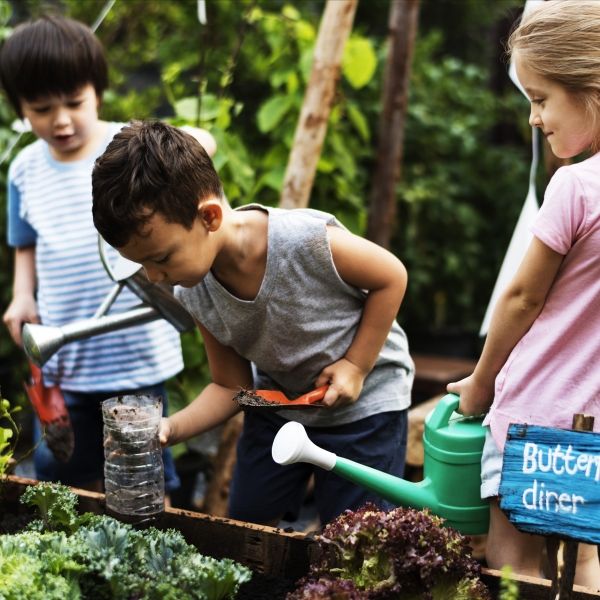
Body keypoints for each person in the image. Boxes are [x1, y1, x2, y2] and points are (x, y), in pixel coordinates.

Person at [91, 120, 414, 527]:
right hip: (278, 405)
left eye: (161, 258)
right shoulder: (194, 289)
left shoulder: (303, 241)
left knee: (356, 534)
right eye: (142, 264)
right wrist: (169, 428)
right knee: (247, 522)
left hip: (364, 410)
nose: (155, 277)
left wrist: (356, 365)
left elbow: (391, 276)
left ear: (208, 216)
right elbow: (232, 386)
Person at [0, 15, 216, 497]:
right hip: (65, 354)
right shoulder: (24, 169)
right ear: (19, 109)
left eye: (74, 103)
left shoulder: (128, 148)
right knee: (62, 483)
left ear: (96, 91)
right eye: (41, 108)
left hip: (134, 355)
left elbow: (204, 142)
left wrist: (189, 146)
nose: (60, 120)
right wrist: (21, 295)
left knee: (142, 477)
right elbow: (24, 241)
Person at [447, 0, 600, 588]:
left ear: (590, 87)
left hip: (536, 415)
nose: (534, 118)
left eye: (540, 99)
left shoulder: (576, 186)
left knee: (510, 562)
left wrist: (482, 382)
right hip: (593, 422)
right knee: (582, 562)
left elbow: (520, 300)